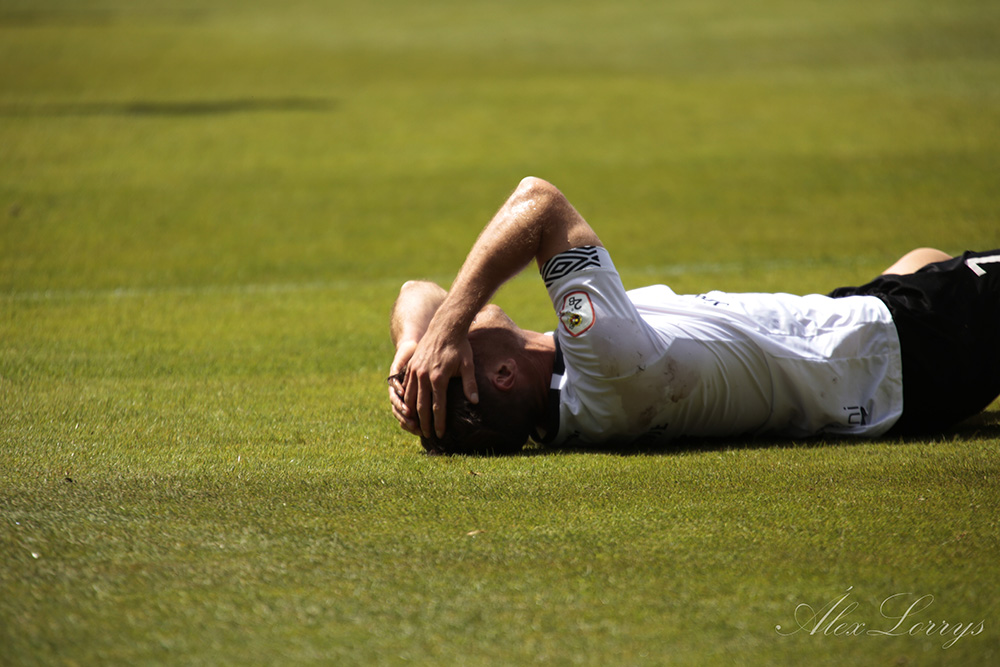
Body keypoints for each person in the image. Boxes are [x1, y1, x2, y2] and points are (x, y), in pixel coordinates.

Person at [388, 177, 1000, 454]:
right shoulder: (604, 362)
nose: (458, 324)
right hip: (900, 348)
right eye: (461, 346)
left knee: (922, 259)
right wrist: (449, 330)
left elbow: (419, 290)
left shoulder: (565, 401)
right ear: (501, 376)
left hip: (849, 331)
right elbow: (540, 203)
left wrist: (415, 344)